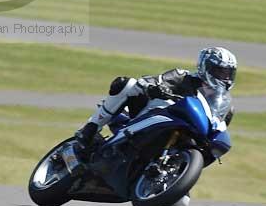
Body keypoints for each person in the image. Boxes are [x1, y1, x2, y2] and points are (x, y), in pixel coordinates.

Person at [76, 46, 237, 153]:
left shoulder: (226, 105)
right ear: (205, 67)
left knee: (181, 203)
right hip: (149, 113)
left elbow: (217, 126)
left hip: (185, 134)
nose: (225, 77)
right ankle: (90, 129)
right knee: (127, 84)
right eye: (220, 72)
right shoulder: (183, 76)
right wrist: (154, 87)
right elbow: (152, 80)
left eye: (228, 73)